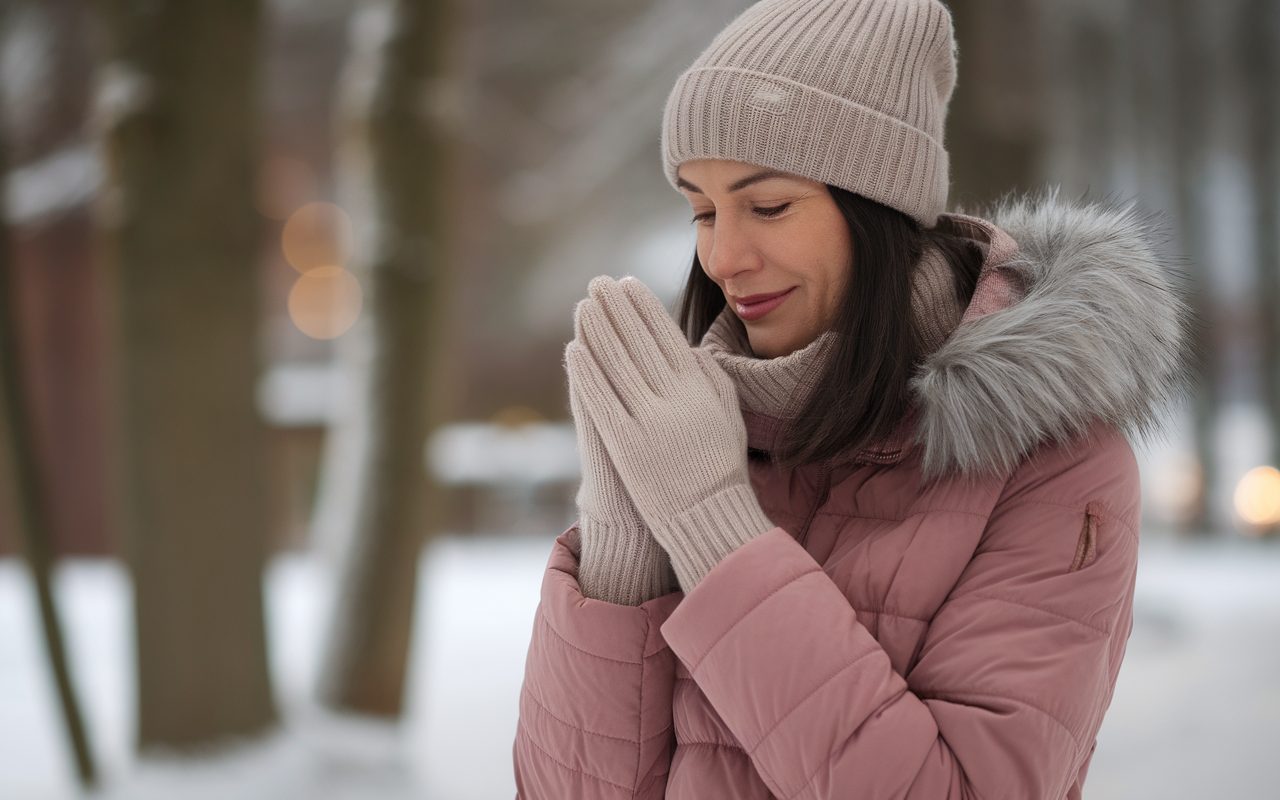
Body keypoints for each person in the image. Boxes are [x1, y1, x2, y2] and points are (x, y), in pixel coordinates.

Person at [512, 0, 1193, 797]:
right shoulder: (698, 433)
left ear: (877, 210)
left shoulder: (1051, 464)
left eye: (768, 205)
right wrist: (624, 541)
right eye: (702, 210)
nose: (724, 256)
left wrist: (713, 525)